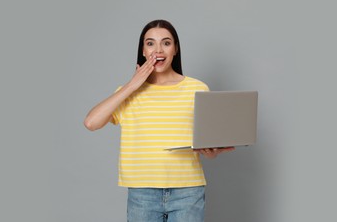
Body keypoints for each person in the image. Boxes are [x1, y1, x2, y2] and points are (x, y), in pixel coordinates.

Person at [84, 19, 234, 222]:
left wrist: (211, 152)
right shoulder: (128, 93)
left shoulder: (197, 89)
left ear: (175, 49)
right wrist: (132, 85)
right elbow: (91, 123)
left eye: (166, 42)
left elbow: (208, 143)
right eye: (150, 43)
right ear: (143, 51)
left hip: (188, 191)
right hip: (142, 193)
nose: (158, 50)